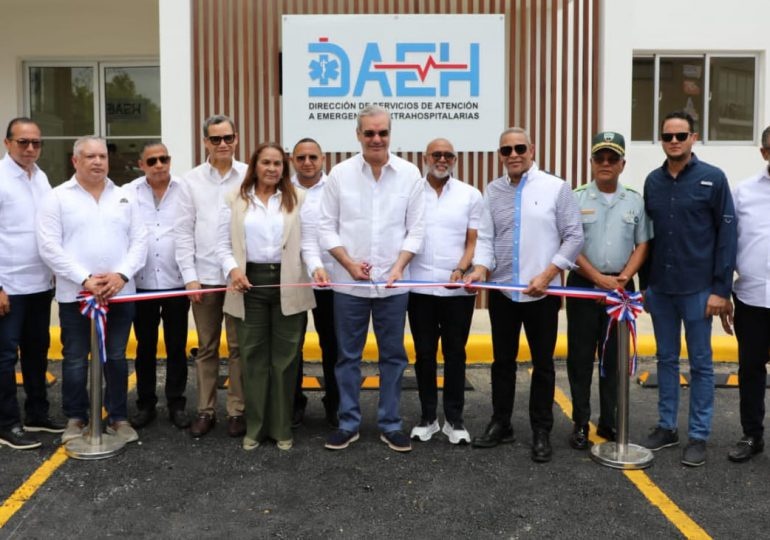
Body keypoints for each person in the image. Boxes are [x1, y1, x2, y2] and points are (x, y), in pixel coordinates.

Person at [465, 127, 583, 463]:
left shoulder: (555, 188)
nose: (513, 155)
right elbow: (486, 239)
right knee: (502, 362)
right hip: (504, 291)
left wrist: (548, 274)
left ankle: (541, 430)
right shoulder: (493, 191)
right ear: (500, 155)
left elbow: (573, 236)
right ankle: (501, 424)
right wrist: (480, 269)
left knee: (543, 365)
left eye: (519, 148)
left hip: (542, 293)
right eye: (506, 150)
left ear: (532, 149)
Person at [317, 105, 424, 452]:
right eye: (369, 133)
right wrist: (347, 264)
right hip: (348, 286)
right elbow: (325, 228)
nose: (376, 139)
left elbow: (417, 229)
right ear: (358, 135)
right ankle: (348, 423)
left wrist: (398, 267)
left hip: (394, 286)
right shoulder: (340, 174)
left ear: (390, 134)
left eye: (382, 133)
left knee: (393, 356)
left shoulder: (409, 174)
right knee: (347, 356)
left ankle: (390, 424)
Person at [37, 136, 148, 444]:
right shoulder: (57, 198)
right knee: (75, 358)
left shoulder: (125, 197)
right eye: (90, 156)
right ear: (76, 161)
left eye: (102, 156)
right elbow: (49, 247)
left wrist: (121, 275)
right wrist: (84, 278)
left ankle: (117, 417)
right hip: (77, 297)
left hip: (119, 294)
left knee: (114, 356)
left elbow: (140, 241)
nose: (98, 162)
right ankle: (76, 418)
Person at [641, 111, 736, 467]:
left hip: (699, 289)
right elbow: (646, 239)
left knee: (701, 364)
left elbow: (727, 237)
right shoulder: (653, 181)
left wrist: (721, 290)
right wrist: (645, 286)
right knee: (665, 359)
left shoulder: (713, 179)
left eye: (681, 136)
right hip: (661, 290)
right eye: (668, 136)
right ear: (662, 140)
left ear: (693, 138)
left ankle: (698, 434)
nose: (675, 142)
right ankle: (667, 427)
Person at [218, 142, 316, 451]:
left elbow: (309, 244)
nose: (272, 168)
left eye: (277, 163)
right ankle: (255, 428)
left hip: (289, 283)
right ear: (255, 166)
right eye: (266, 163)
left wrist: (317, 269)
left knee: (285, 360)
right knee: (253, 358)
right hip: (249, 285)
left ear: (284, 168)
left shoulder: (298, 198)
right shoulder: (235, 199)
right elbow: (222, 245)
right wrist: (233, 270)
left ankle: (281, 427)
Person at [566, 131, 650, 450]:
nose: (605, 163)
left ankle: (610, 421)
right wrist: (598, 278)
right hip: (585, 285)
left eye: (612, 158)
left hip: (620, 290)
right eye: (599, 158)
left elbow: (643, 242)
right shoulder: (575, 198)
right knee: (580, 356)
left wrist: (625, 276)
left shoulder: (635, 200)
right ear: (590, 162)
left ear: (622, 164)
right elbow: (570, 244)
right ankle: (580, 422)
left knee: (613, 358)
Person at [175, 115, 247, 438]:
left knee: (237, 348)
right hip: (203, 277)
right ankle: (205, 411)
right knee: (206, 347)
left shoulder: (248, 175)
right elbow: (183, 232)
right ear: (205, 142)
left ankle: (236, 411)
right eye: (215, 139)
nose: (222, 144)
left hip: (237, 278)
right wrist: (189, 277)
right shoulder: (190, 181)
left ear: (236, 139)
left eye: (227, 138)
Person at [407, 138, 483, 445]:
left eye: (448, 155)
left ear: (455, 159)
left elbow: (473, 240)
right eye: (436, 154)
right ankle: (428, 418)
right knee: (424, 355)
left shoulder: (470, 195)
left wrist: (462, 268)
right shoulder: (411, 193)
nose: (442, 159)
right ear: (425, 157)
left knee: (455, 355)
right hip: (419, 288)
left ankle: (455, 421)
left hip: (457, 291)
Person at [0, 118, 62, 450]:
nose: (29, 148)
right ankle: (7, 423)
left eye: (36, 143)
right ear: (7, 143)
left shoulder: (41, 178)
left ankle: (37, 413)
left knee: (37, 353)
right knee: (5, 357)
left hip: (39, 283)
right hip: (8, 287)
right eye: (23, 142)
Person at [126, 142, 191, 430]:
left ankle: (176, 404)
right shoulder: (127, 193)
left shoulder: (185, 190)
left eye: (163, 159)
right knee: (145, 348)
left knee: (177, 347)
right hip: (141, 285)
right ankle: (146, 404)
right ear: (141, 164)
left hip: (176, 282)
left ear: (170, 160)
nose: (159, 165)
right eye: (151, 161)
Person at [722, 125, 770, 463]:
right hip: (752, 298)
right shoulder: (743, 192)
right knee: (751, 369)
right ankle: (752, 435)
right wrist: (723, 290)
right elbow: (727, 244)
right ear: (764, 152)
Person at [290, 137, 339, 428]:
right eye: (301, 157)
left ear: (322, 159)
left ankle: (334, 404)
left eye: (313, 157)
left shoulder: (336, 188)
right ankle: (295, 403)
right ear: (293, 161)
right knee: (292, 346)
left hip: (331, 279)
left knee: (332, 345)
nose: (307, 162)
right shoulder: (283, 190)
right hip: (293, 278)